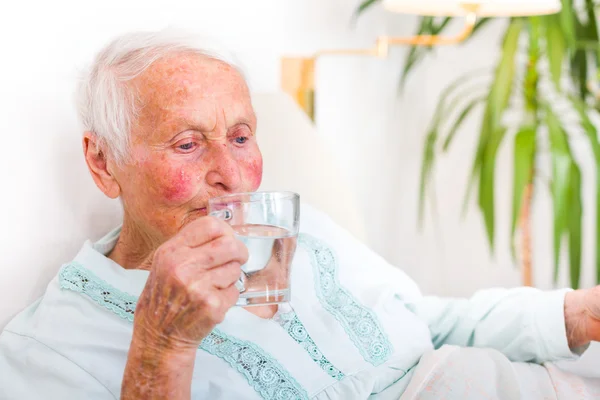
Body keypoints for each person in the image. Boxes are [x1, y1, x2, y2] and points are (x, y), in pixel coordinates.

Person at [0, 30, 599, 400]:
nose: (231, 176)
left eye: (240, 136)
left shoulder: (292, 225)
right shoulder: (46, 349)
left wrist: (574, 313)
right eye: (187, 144)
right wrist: (162, 348)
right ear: (102, 163)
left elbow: (422, 322)